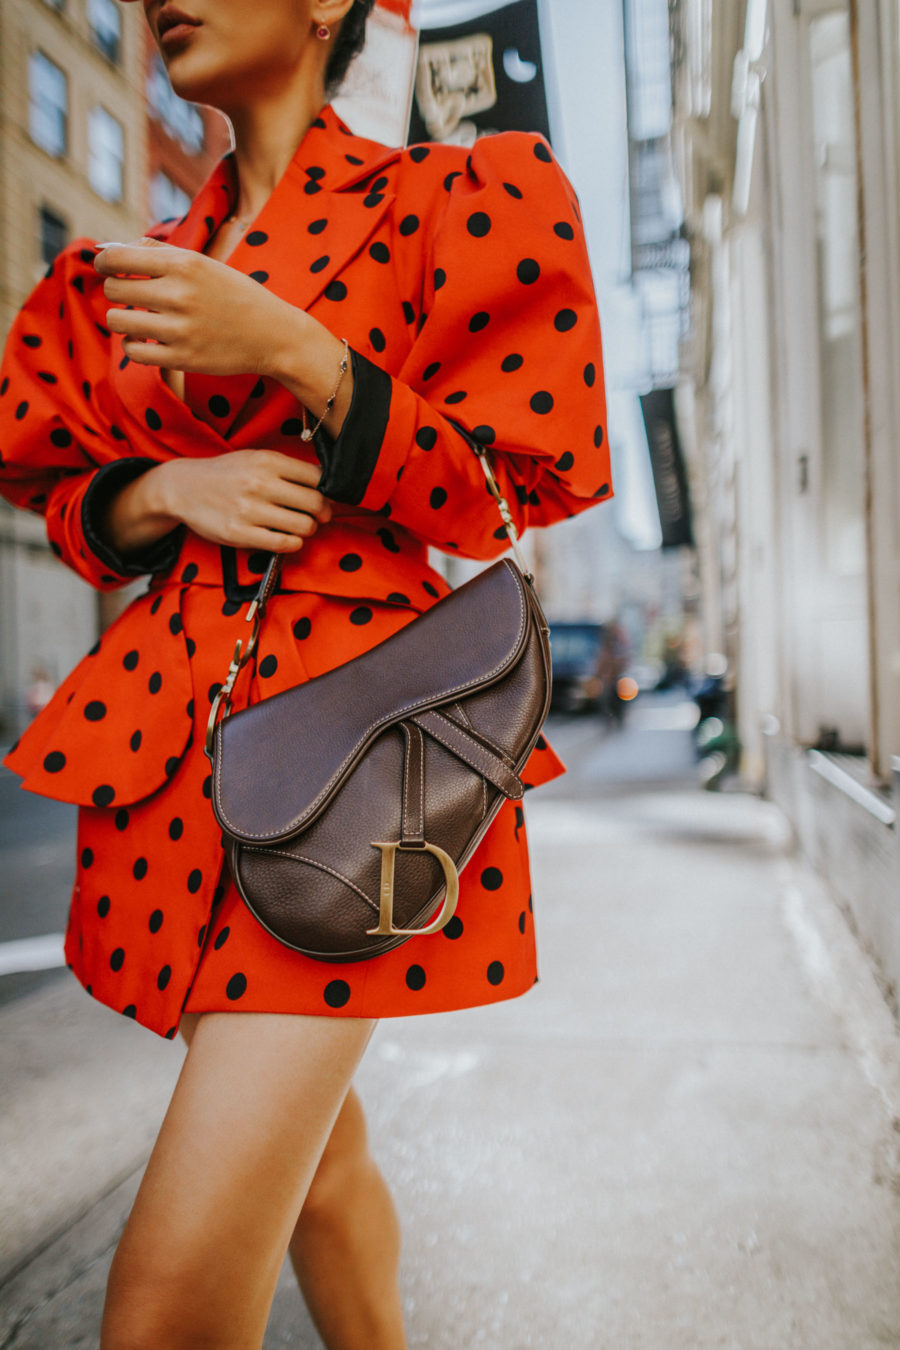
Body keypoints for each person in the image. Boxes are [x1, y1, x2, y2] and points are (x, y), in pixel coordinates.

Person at [0, 1, 613, 1345]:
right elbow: (49, 487)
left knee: (162, 1308)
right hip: (174, 753)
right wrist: (166, 488)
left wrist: (297, 353)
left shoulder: (458, 195)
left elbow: (495, 496)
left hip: (356, 762)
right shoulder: (133, 269)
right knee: (318, 1171)